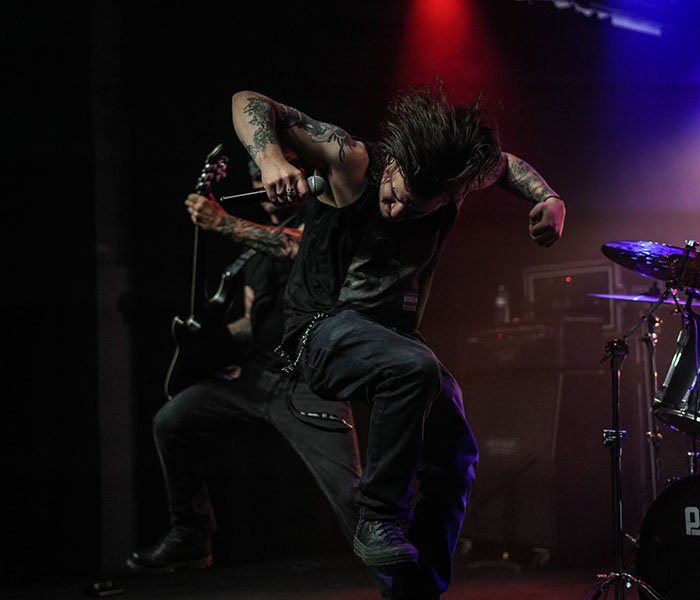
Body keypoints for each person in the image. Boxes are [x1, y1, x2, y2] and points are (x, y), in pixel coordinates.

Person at [230, 78, 566, 599]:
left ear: (453, 194)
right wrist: (271, 159)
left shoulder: (457, 182)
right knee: (415, 368)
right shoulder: (350, 159)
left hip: (389, 341)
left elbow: (504, 165)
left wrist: (550, 199)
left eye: (416, 210)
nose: (396, 212)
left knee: (456, 456)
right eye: (394, 196)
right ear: (393, 165)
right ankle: (378, 517)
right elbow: (249, 102)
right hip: (318, 331)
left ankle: (416, 593)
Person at [126, 155, 391, 598]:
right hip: (254, 378)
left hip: (308, 382)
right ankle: (192, 533)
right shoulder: (252, 256)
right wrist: (204, 337)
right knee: (171, 421)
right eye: (257, 177)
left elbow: (294, 247)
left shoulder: (326, 217)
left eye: (274, 173)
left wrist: (222, 222)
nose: (266, 184)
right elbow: (250, 324)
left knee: (350, 493)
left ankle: (401, 586)